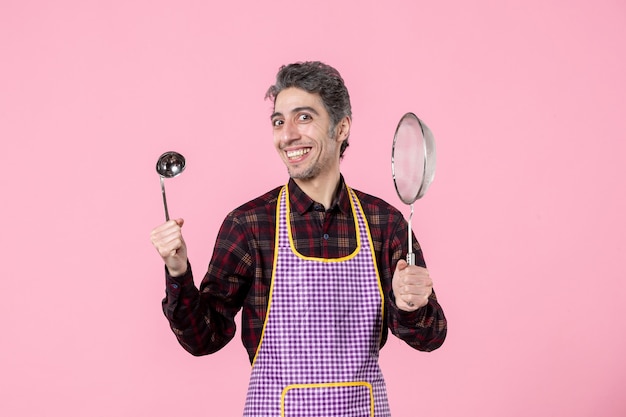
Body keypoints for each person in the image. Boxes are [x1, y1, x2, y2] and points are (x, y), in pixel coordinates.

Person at [150, 61, 447, 416]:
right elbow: (202, 339)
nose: (287, 135)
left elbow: (430, 337)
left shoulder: (384, 223)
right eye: (279, 121)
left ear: (341, 128)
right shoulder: (249, 225)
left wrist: (410, 304)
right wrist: (178, 271)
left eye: (303, 117)